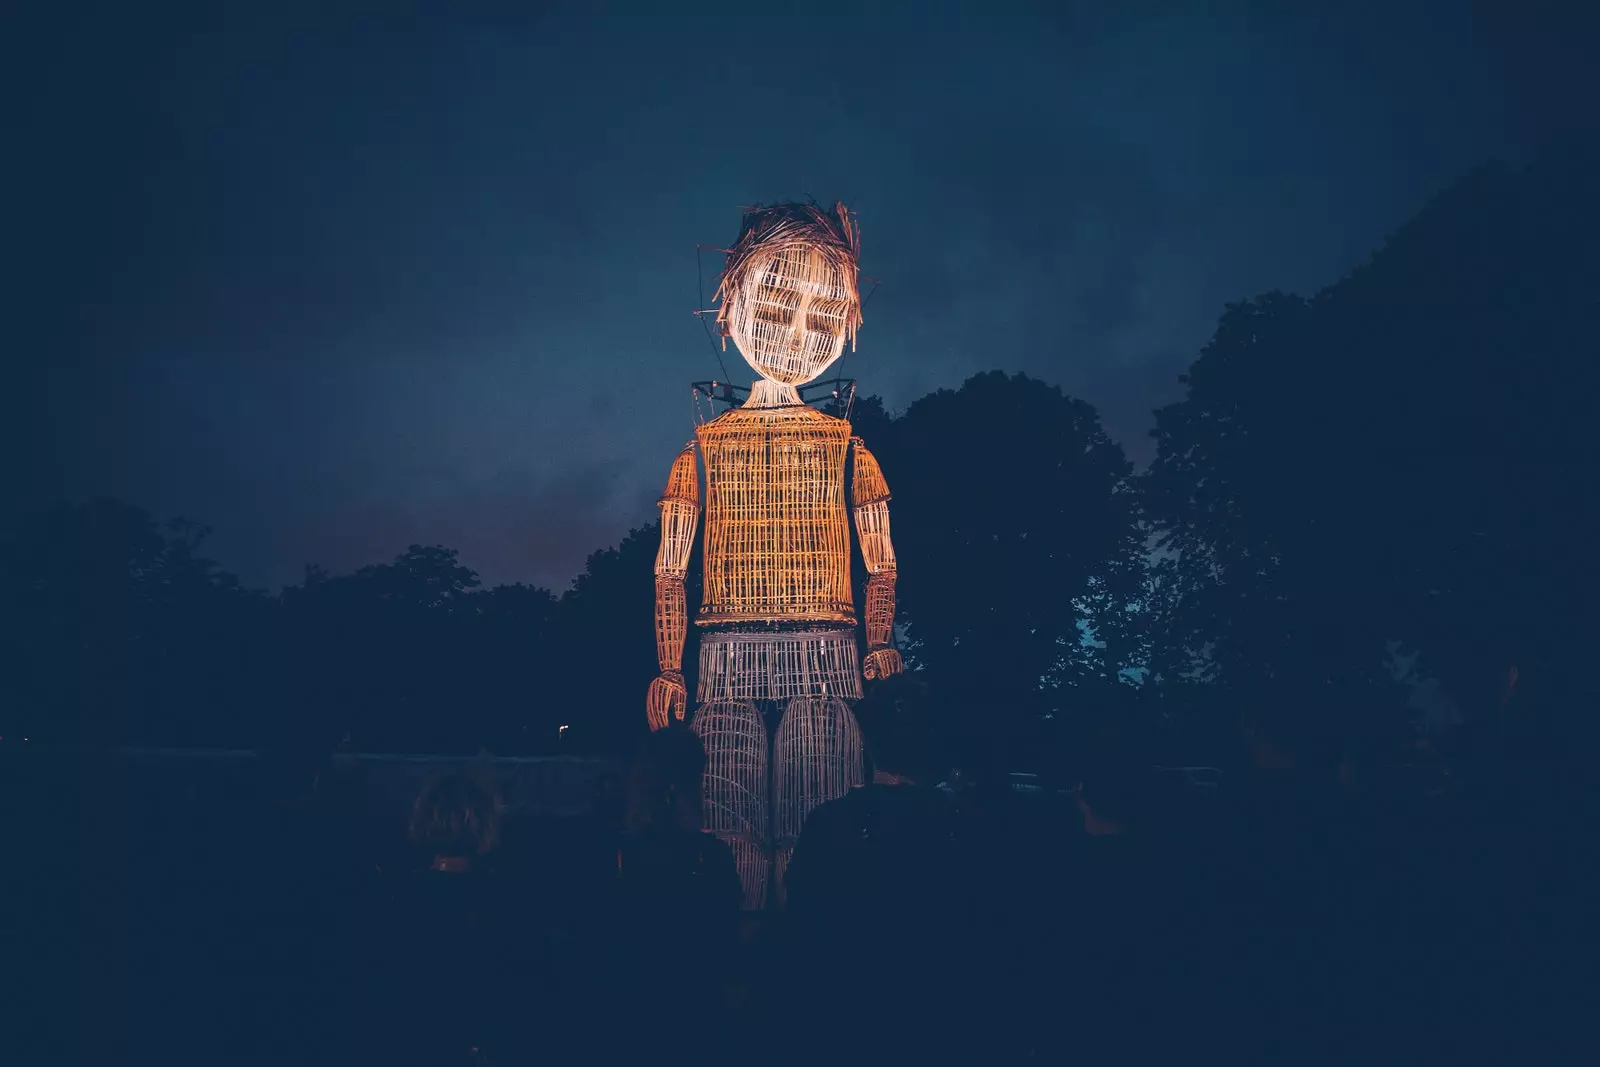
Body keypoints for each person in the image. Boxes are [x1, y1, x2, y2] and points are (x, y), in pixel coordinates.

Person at [777, 673, 972, 1061]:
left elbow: (799, 929)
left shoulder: (828, 824)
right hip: (938, 1026)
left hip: (847, 1024)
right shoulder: (963, 826)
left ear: (866, 742)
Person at [608, 726, 743, 1055]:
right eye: (698, 780)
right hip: (695, 1014)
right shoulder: (710, 857)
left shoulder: (617, 854)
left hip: (630, 1011)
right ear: (679, 789)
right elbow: (726, 941)